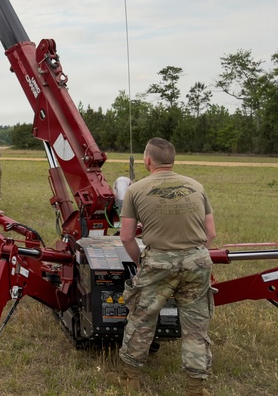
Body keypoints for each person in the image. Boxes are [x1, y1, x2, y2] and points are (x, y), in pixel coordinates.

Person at [107, 137, 215, 395]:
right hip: (197, 261)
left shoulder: (135, 190)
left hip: (158, 262)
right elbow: (210, 233)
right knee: (196, 327)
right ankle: (195, 387)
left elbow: (126, 236)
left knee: (142, 319)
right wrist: (196, 258)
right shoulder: (196, 186)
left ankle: (130, 378)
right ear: (173, 160)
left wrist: (141, 262)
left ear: (147, 161)